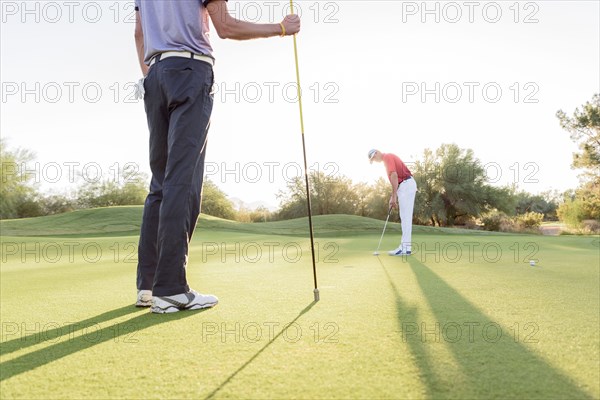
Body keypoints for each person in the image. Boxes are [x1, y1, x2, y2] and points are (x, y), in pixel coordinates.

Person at [133, 0, 301, 313]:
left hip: (155, 77)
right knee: (181, 180)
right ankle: (170, 289)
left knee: (160, 184)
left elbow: (139, 34)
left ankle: (149, 285)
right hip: (190, 70)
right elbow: (226, 27)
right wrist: (281, 28)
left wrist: (153, 75)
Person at [368, 149, 417, 256]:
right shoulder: (386, 160)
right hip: (404, 185)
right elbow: (395, 178)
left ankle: (405, 248)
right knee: (405, 217)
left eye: (374, 158)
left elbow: (394, 175)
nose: (375, 160)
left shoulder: (387, 157)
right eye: (373, 160)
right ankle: (406, 248)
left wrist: (394, 196)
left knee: (406, 217)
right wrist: (393, 196)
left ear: (377, 152)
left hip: (406, 184)